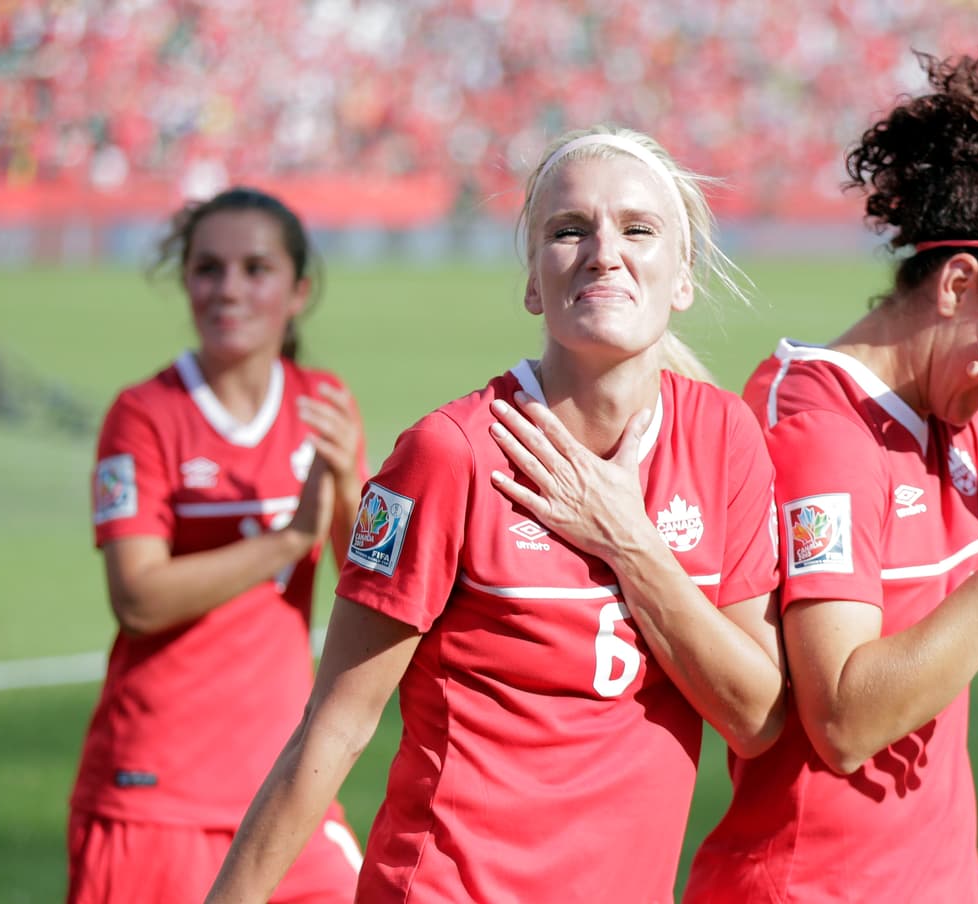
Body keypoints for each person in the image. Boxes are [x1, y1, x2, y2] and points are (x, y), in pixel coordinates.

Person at [205, 124, 786, 904]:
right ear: (532, 284)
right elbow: (334, 728)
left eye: (638, 229)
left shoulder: (724, 438)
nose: (603, 251)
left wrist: (631, 545)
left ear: (682, 277)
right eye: (568, 229)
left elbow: (756, 715)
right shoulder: (448, 455)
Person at [684, 48, 978, 904]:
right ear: (958, 286)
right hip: (817, 889)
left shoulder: (958, 413)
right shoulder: (821, 430)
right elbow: (841, 722)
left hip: (939, 881)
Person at [69, 187, 368, 903]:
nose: (229, 289)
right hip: (155, 795)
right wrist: (286, 539)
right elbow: (138, 599)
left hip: (286, 789)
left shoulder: (324, 400)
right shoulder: (144, 414)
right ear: (186, 282)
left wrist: (351, 496)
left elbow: (369, 580)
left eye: (255, 269)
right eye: (209, 269)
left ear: (297, 291)